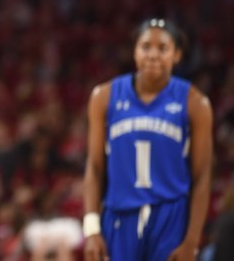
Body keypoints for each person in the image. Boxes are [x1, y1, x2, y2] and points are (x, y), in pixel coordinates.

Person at [83, 18, 213, 261]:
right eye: (145, 47)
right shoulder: (104, 96)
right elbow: (94, 167)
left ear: (177, 55)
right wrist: (92, 230)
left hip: (171, 217)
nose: (153, 55)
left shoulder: (195, 103)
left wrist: (192, 241)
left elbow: (202, 175)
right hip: (119, 216)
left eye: (162, 48)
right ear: (134, 52)